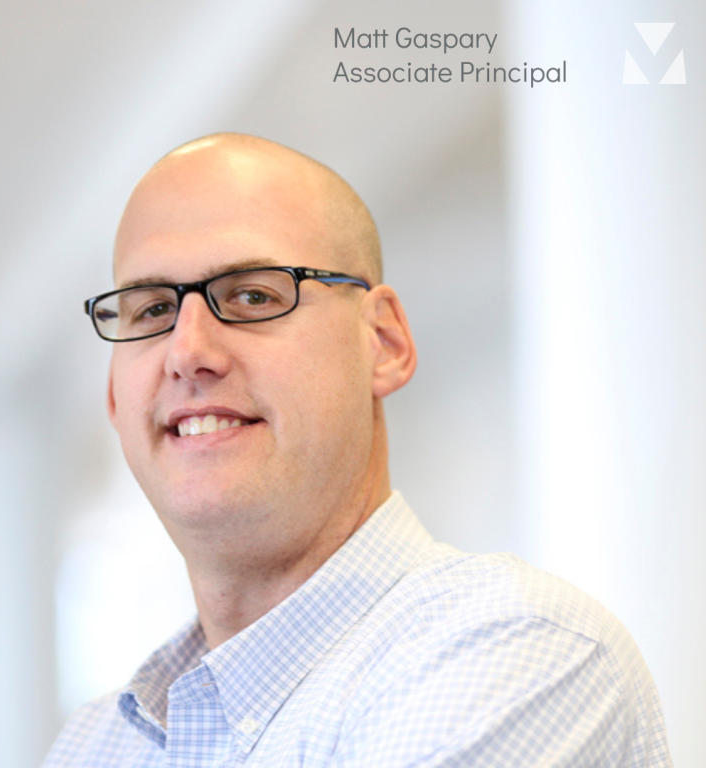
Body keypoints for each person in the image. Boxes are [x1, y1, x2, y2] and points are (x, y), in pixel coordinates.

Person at [44, 134, 671, 767]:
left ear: (383, 342)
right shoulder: (95, 745)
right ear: (114, 396)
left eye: (253, 295)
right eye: (152, 310)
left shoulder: (517, 651)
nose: (186, 353)